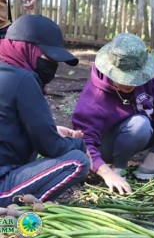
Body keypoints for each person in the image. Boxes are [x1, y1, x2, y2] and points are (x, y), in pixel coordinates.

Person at [72, 33, 154, 194]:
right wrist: (105, 172)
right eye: (124, 79)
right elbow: (86, 142)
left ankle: (153, 162)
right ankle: (119, 167)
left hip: (141, 130)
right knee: (139, 124)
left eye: (135, 79)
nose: (130, 83)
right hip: (109, 143)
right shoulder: (94, 98)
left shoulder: (151, 75)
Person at [0, 14, 90, 207]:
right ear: (28, 50)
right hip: (2, 183)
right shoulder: (23, 79)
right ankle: (17, 207)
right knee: (77, 161)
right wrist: (80, 145)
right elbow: (50, 146)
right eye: (48, 58)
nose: (52, 66)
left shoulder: (6, 70)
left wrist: (51, 129)